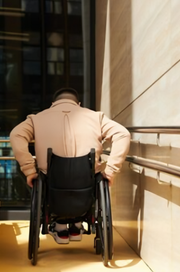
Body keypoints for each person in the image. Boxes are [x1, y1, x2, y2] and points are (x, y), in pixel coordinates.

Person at [9, 87, 131, 244]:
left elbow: (16, 134)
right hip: (86, 179)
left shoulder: (37, 119)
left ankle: (60, 227)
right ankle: (76, 225)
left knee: (43, 178)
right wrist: (111, 170)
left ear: (53, 103)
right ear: (78, 104)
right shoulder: (96, 117)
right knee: (94, 176)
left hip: (52, 180)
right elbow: (123, 134)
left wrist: (29, 169)